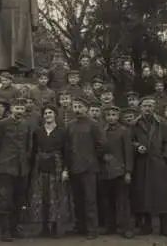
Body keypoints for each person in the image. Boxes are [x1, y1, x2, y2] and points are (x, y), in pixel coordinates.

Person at [64, 96, 107, 239]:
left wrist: (92, 159)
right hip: (74, 167)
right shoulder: (70, 125)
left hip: (89, 168)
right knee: (77, 199)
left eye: (80, 107)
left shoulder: (93, 124)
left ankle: (92, 229)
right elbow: (68, 146)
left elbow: (101, 144)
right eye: (75, 107)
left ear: (86, 109)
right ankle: (80, 226)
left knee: (90, 200)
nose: (77, 110)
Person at [0, 97, 33, 241]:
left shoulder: (26, 125)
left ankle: (15, 229)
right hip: (5, 167)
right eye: (17, 108)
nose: (19, 111)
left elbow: (28, 145)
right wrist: (0, 161)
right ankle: (5, 231)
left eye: (22, 108)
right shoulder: (2, 124)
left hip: (22, 168)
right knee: (5, 200)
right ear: (11, 109)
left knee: (19, 200)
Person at [29, 104, 73, 238]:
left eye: (50, 113)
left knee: (56, 196)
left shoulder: (62, 131)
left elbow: (67, 152)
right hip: (41, 166)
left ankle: (54, 227)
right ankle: (43, 227)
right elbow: (34, 151)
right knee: (42, 196)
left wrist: (66, 169)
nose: (48, 115)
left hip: (57, 165)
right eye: (46, 113)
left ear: (55, 115)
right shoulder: (38, 131)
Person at [131, 95, 167, 236]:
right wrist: (137, 147)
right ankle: (147, 226)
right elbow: (130, 141)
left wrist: (165, 158)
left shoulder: (162, 123)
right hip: (142, 163)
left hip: (159, 162)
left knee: (162, 195)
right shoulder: (135, 124)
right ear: (140, 108)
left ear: (154, 108)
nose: (147, 109)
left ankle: (164, 227)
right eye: (144, 106)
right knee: (144, 195)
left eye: (150, 106)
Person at [98, 105, 134, 238]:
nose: (111, 117)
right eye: (108, 115)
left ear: (118, 117)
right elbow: (97, 148)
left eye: (113, 115)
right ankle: (110, 226)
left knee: (122, 202)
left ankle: (126, 228)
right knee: (107, 201)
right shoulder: (101, 131)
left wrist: (128, 171)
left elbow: (128, 152)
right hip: (105, 171)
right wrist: (102, 156)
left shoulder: (124, 131)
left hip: (120, 171)